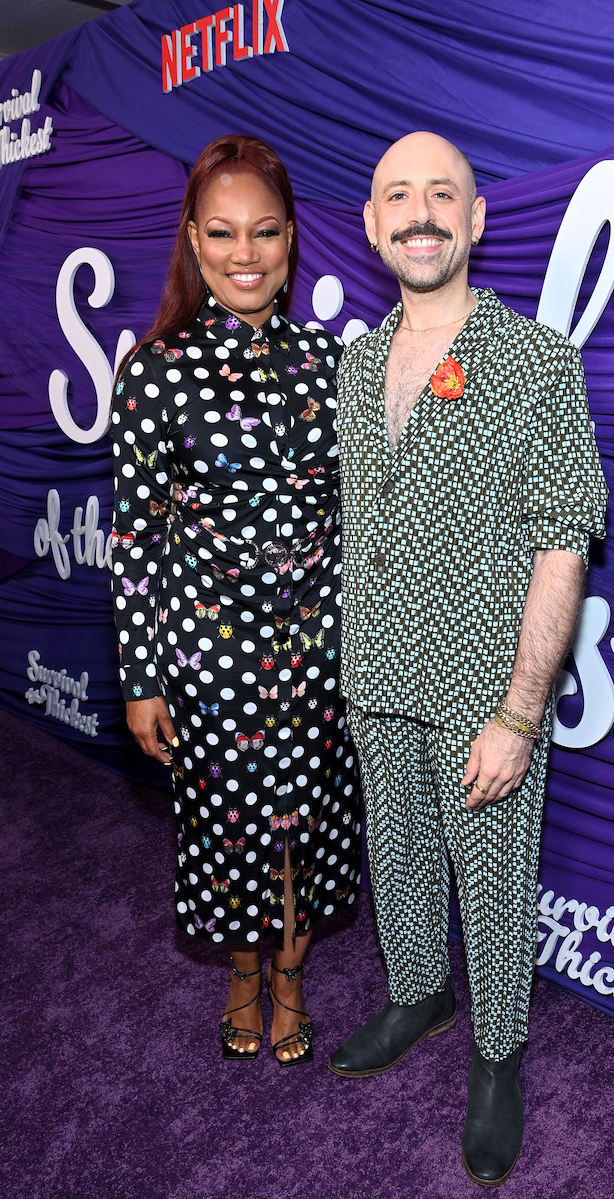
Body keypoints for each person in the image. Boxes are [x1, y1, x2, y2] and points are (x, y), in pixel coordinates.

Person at [329, 131, 607, 1185]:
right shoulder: (357, 364)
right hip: (376, 669)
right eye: (397, 196)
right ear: (371, 225)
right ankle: (416, 994)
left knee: (491, 880)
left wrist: (519, 713)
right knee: (395, 852)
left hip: (480, 687)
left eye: (441, 194)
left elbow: (563, 543)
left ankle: (497, 1054)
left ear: (475, 219)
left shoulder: (536, 361)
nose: (420, 214)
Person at [111, 135, 360, 1066]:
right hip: (208, 657)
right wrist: (143, 677)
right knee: (227, 828)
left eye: (264, 231)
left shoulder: (332, 363)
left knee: (307, 825)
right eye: (222, 233)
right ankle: (243, 970)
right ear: (192, 239)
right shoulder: (153, 372)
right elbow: (133, 541)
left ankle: (290, 976)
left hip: (320, 648)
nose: (244, 253)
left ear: (292, 239)